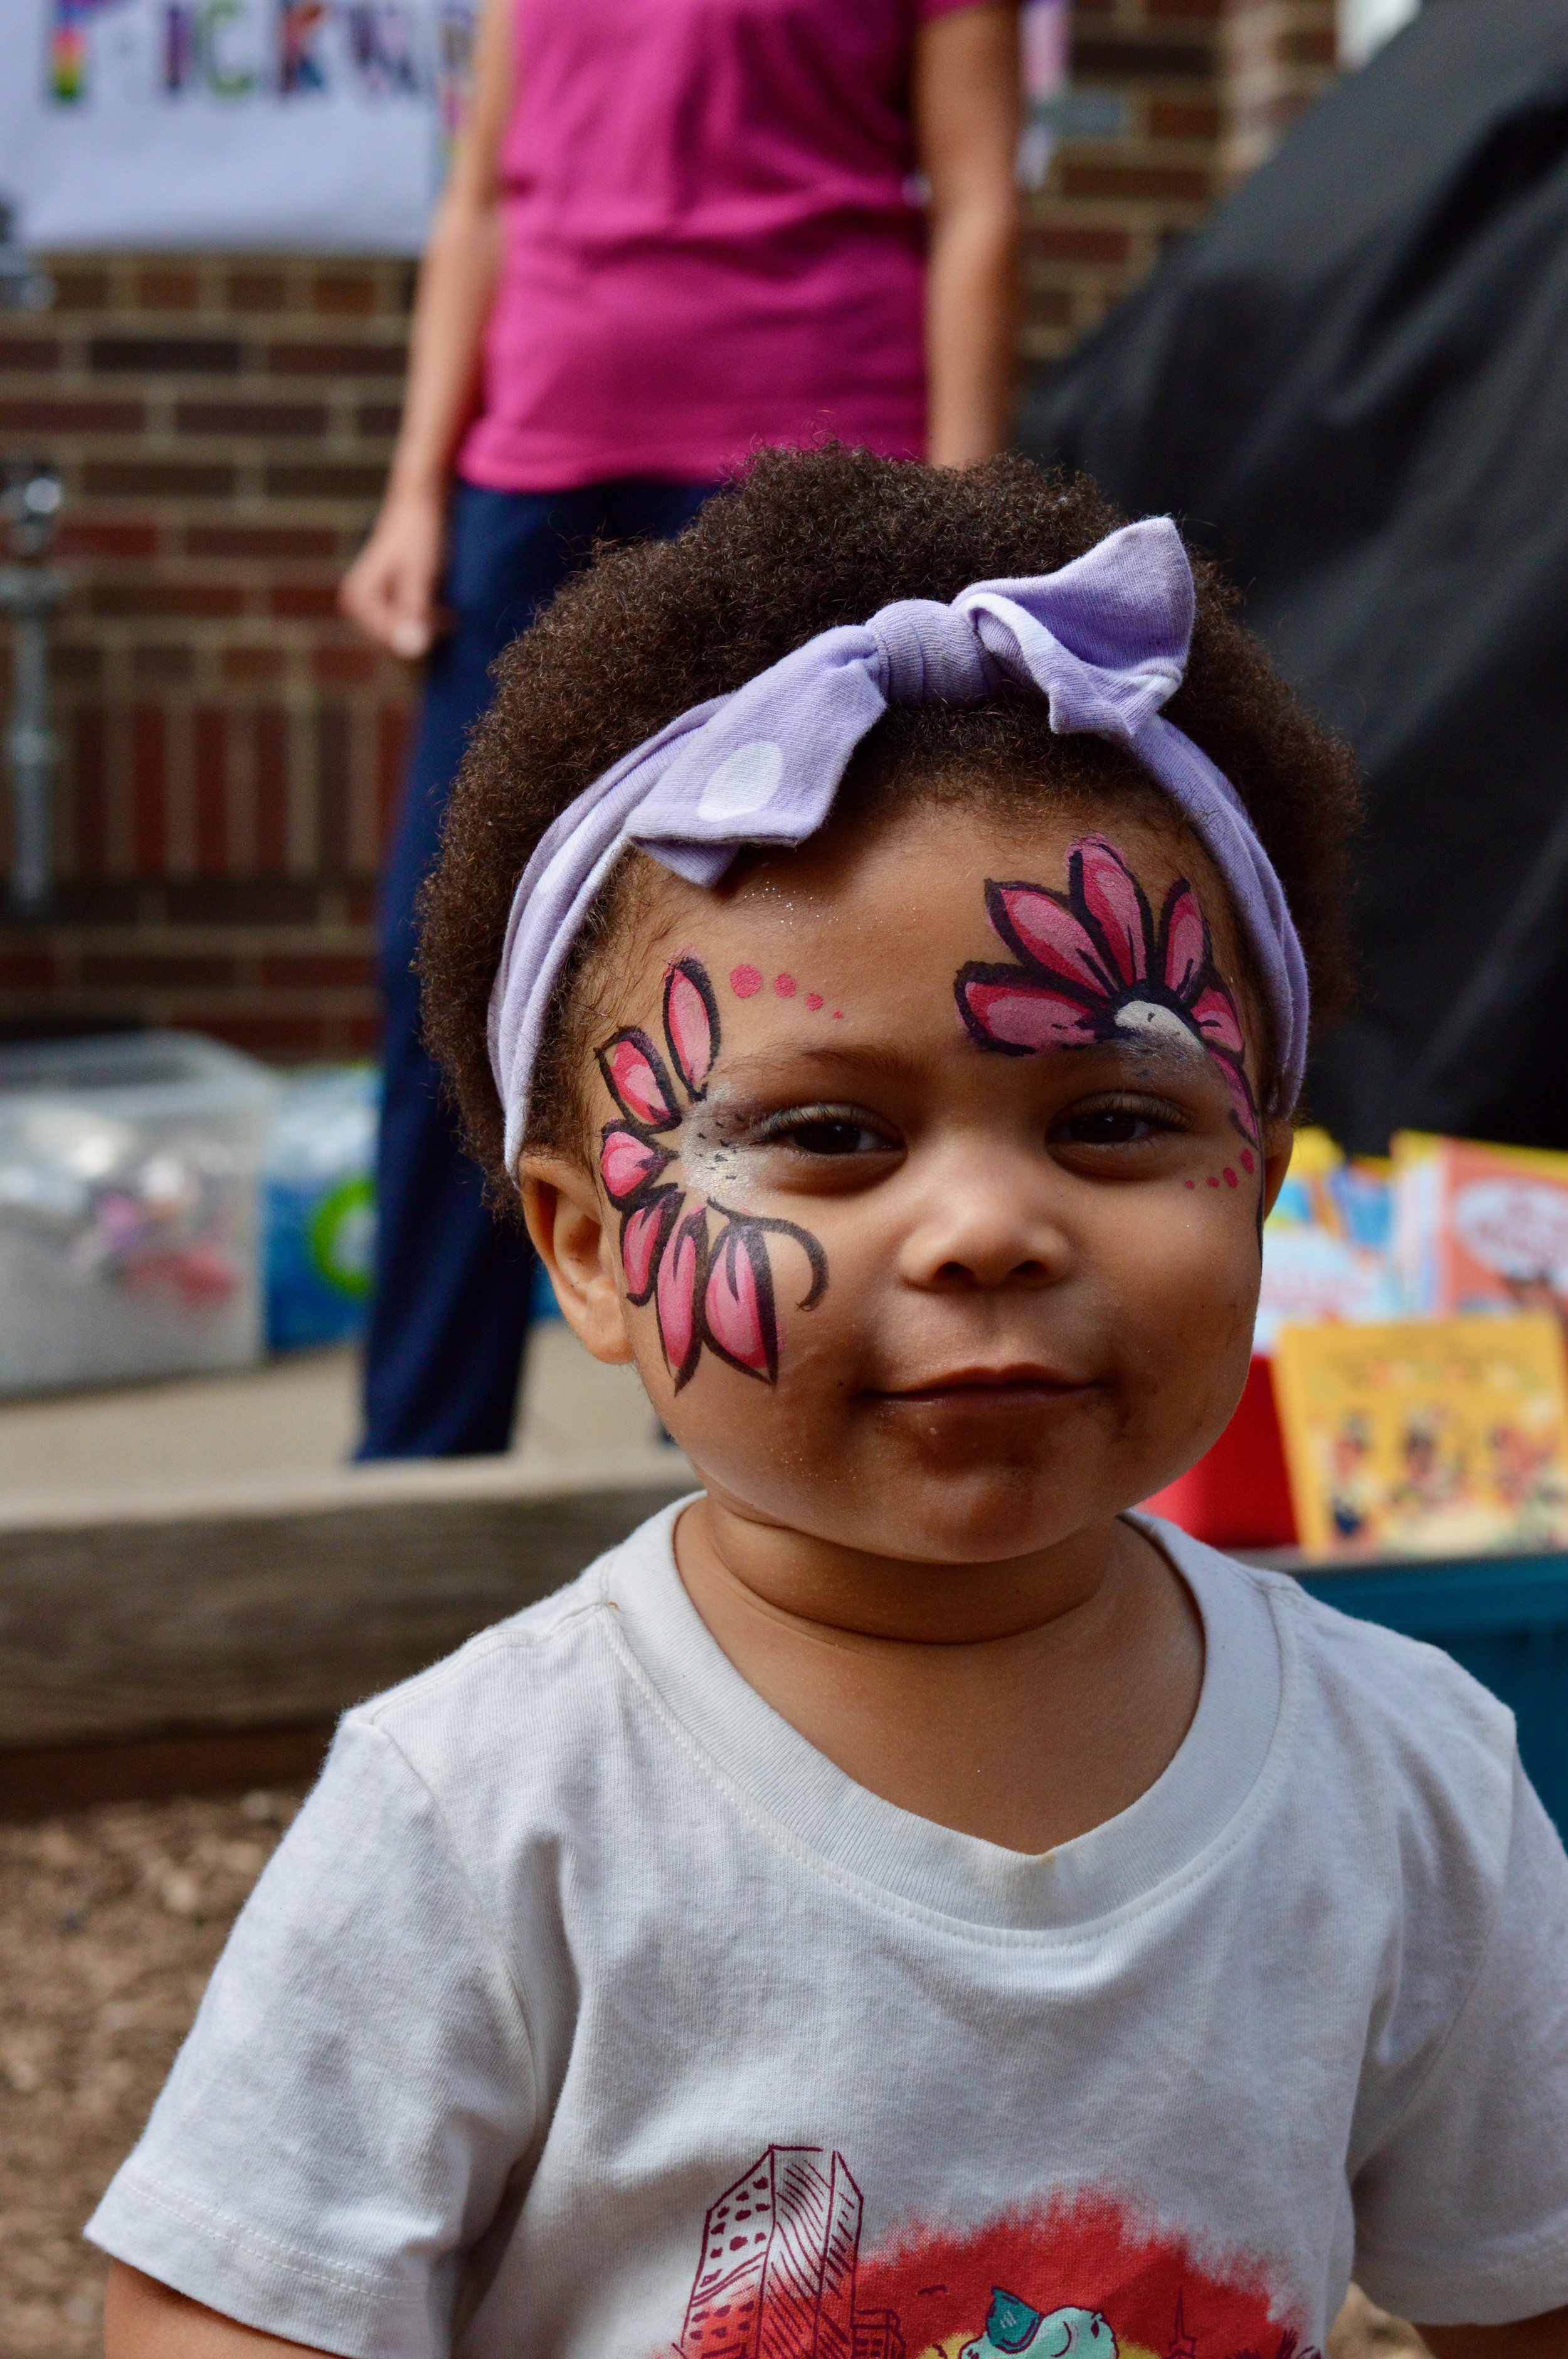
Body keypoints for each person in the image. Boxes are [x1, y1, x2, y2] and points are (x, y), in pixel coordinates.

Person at [97, 451, 1568, 2358]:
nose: (982, 1228)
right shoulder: (490, 1811)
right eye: (822, 1135)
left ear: (1261, 1181)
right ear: (588, 1251)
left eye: (1114, 1122)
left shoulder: (1406, 1786)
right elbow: (232, 2312)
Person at [340, 0, 1022, 1457]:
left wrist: (957, 516)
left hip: (809, 474)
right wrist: (417, 492)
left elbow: (974, 203)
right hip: (533, 487)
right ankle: (415, 1458)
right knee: (444, 967)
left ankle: (743, 1448)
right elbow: (481, 203)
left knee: (776, 973)